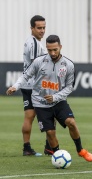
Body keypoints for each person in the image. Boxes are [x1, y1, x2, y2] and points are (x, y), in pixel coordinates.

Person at [6, 35, 92, 162]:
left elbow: (69, 87)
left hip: (58, 101)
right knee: (50, 133)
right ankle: (58, 156)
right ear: (46, 48)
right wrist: (15, 86)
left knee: (71, 122)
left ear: (60, 47)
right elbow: (26, 76)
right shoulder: (39, 61)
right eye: (49, 50)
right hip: (40, 103)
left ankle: (81, 150)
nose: (52, 53)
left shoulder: (68, 65)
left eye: (55, 50)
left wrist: (55, 97)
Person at [20, 15, 52, 156]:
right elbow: (36, 66)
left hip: (27, 85)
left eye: (44, 27)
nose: (42, 30)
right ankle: (49, 147)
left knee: (29, 116)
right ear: (32, 28)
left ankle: (27, 148)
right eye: (39, 28)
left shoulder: (34, 42)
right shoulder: (33, 43)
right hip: (35, 86)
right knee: (51, 113)